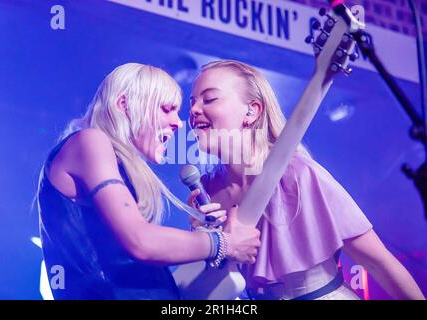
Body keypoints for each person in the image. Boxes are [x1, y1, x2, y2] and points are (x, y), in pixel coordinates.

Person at [187, 60, 425, 300]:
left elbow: (379, 263)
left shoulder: (298, 174)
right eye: (193, 101)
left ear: (252, 111)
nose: (194, 110)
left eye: (209, 99)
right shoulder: (207, 190)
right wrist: (205, 242)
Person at [36, 63, 261, 300]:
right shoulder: (90, 141)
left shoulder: (113, 163)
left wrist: (203, 235)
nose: (179, 122)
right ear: (124, 105)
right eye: (166, 109)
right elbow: (141, 241)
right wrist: (222, 242)